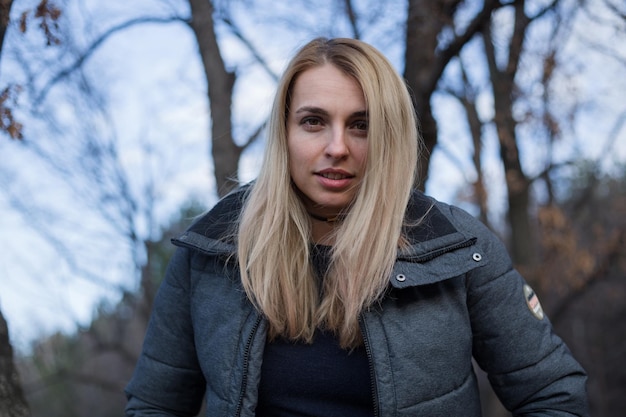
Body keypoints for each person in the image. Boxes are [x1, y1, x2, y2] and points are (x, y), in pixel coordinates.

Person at [125, 37, 588, 416]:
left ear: (388, 136)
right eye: (313, 121)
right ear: (284, 134)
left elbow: (554, 396)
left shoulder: (457, 245)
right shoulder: (210, 251)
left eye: (361, 126)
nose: (337, 146)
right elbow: (153, 406)